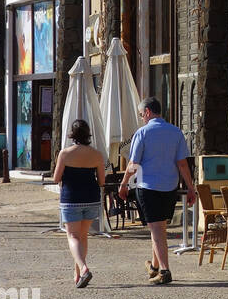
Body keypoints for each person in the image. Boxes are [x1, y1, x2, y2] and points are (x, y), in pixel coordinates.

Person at [117, 97, 196, 285]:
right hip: (170, 187)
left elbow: (133, 164)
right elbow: (183, 164)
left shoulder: (142, 133)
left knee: (157, 230)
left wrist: (124, 184)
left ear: (147, 112)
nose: (141, 118)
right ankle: (153, 266)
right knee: (159, 227)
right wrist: (191, 187)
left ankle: (165, 270)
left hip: (148, 187)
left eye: (141, 115)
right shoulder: (176, 132)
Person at [52, 119, 107, 288]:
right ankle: (77, 274)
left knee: (73, 236)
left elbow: (56, 178)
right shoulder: (97, 154)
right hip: (91, 198)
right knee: (83, 236)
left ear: (72, 134)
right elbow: (102, 180)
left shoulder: (65, 153)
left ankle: (83, 268)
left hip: (71, 198)